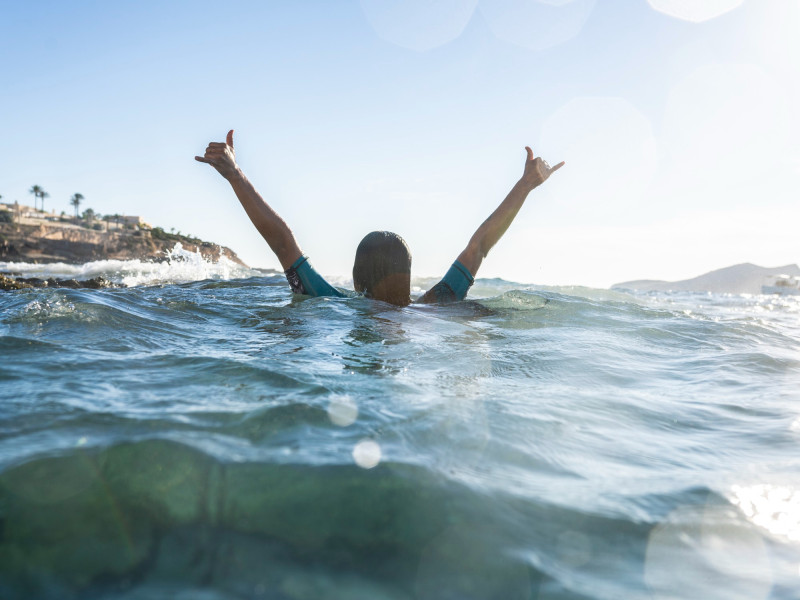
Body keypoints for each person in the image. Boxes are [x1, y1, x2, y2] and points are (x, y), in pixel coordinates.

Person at [196, 131, 564, 306]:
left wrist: (234, 175)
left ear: (357, 278)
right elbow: (479, 246)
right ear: (408, 275)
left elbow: (282, 241)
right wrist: (526, 185)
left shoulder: (330, 300)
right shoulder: (437, 302)